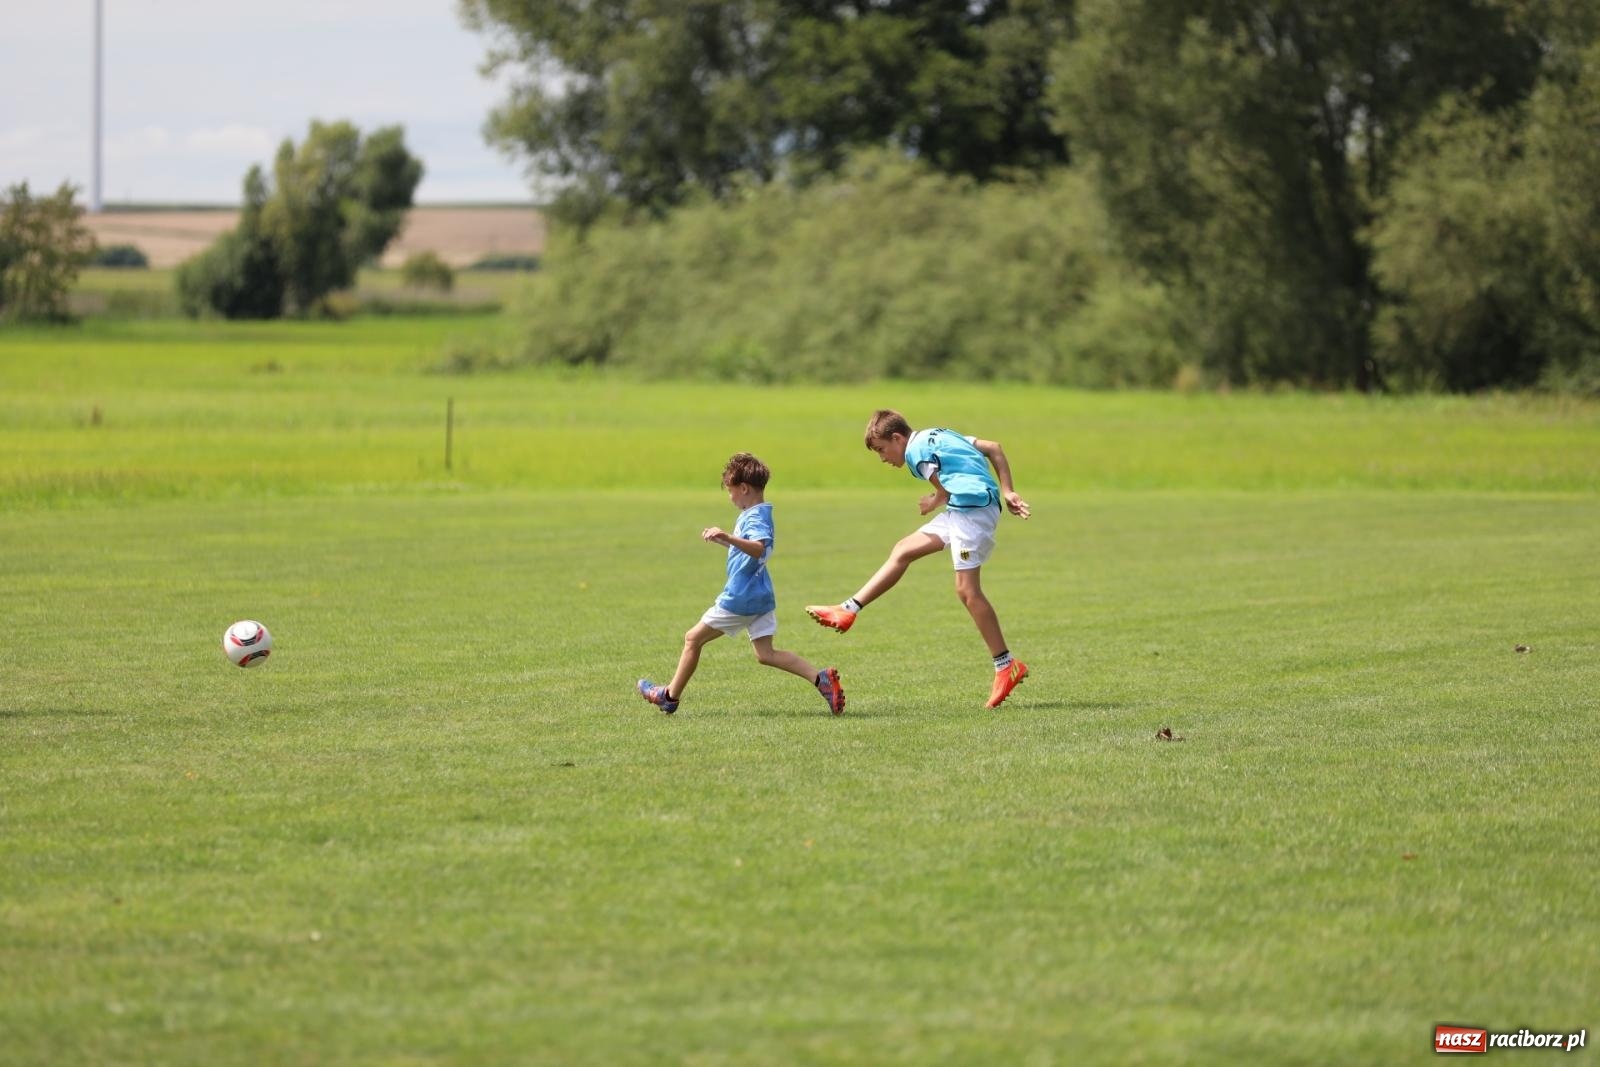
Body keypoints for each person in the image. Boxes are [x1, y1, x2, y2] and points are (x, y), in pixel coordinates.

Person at [805, 410, 1031, 709]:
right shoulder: (938, 434)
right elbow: (994, 448)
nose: (884, 459)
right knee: (903, 550)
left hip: (973, 514)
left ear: (897, 438)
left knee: (967, 590)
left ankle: (1006, 664)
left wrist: (933, 500)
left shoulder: (915, 452)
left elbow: (943, 490)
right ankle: (847, 610)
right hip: (967, 509)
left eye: (882, 450)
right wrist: (1008, 491)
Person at [638, 452, 846, 716]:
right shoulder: (758, 512)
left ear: (744, 488)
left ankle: (669, 696)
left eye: (730, 490)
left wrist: (726, 535)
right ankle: (821, 680)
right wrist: (724, 540)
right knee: (765, 654)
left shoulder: (755, 517)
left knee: (692, 639)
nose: (730, 496)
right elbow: (751, 550)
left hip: (741, 598)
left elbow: (759, 548)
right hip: (761, 596)